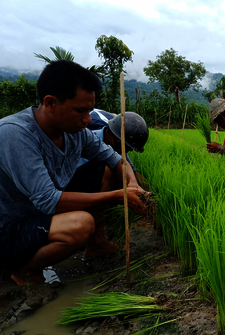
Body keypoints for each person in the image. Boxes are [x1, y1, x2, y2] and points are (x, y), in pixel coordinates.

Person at [0, 60, 148, 286]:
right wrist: (118, 195)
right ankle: (25, 269)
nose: (89, 119)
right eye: (81, 110)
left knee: (104, 169)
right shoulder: (16, 134)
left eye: (89, 110)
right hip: (10, 228)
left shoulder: (75, 131)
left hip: (40, 213)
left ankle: (96, 244)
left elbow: (115, 159)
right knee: (81, 225)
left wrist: (132, 184)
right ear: (50, 103)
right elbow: (49, 201)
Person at [79, 109, 149, 188]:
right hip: (73, 189)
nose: (129, 151)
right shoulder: (87, 140)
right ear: (118, 139)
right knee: (106, 169)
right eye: (128, 148)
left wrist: (149, 190)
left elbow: (132, 173)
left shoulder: (118, 148)